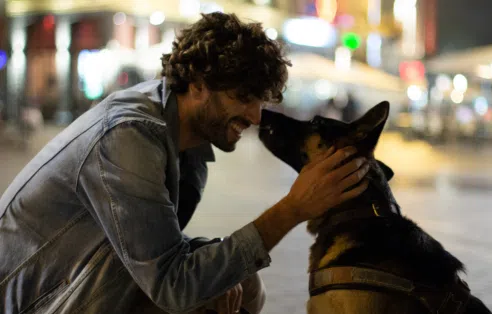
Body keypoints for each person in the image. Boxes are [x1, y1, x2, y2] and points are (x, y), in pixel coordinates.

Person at [0, 12, 370, 314]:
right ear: (197, 85)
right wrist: (293, 208)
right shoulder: (129, 136)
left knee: (241, 284)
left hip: (86, 280)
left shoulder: (187, 141)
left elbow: (157, 245)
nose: (257, 118)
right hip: (33, 300)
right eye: (243, 97)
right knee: (209, 288)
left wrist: (210, 271)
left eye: (262, 101)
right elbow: (171, 284)